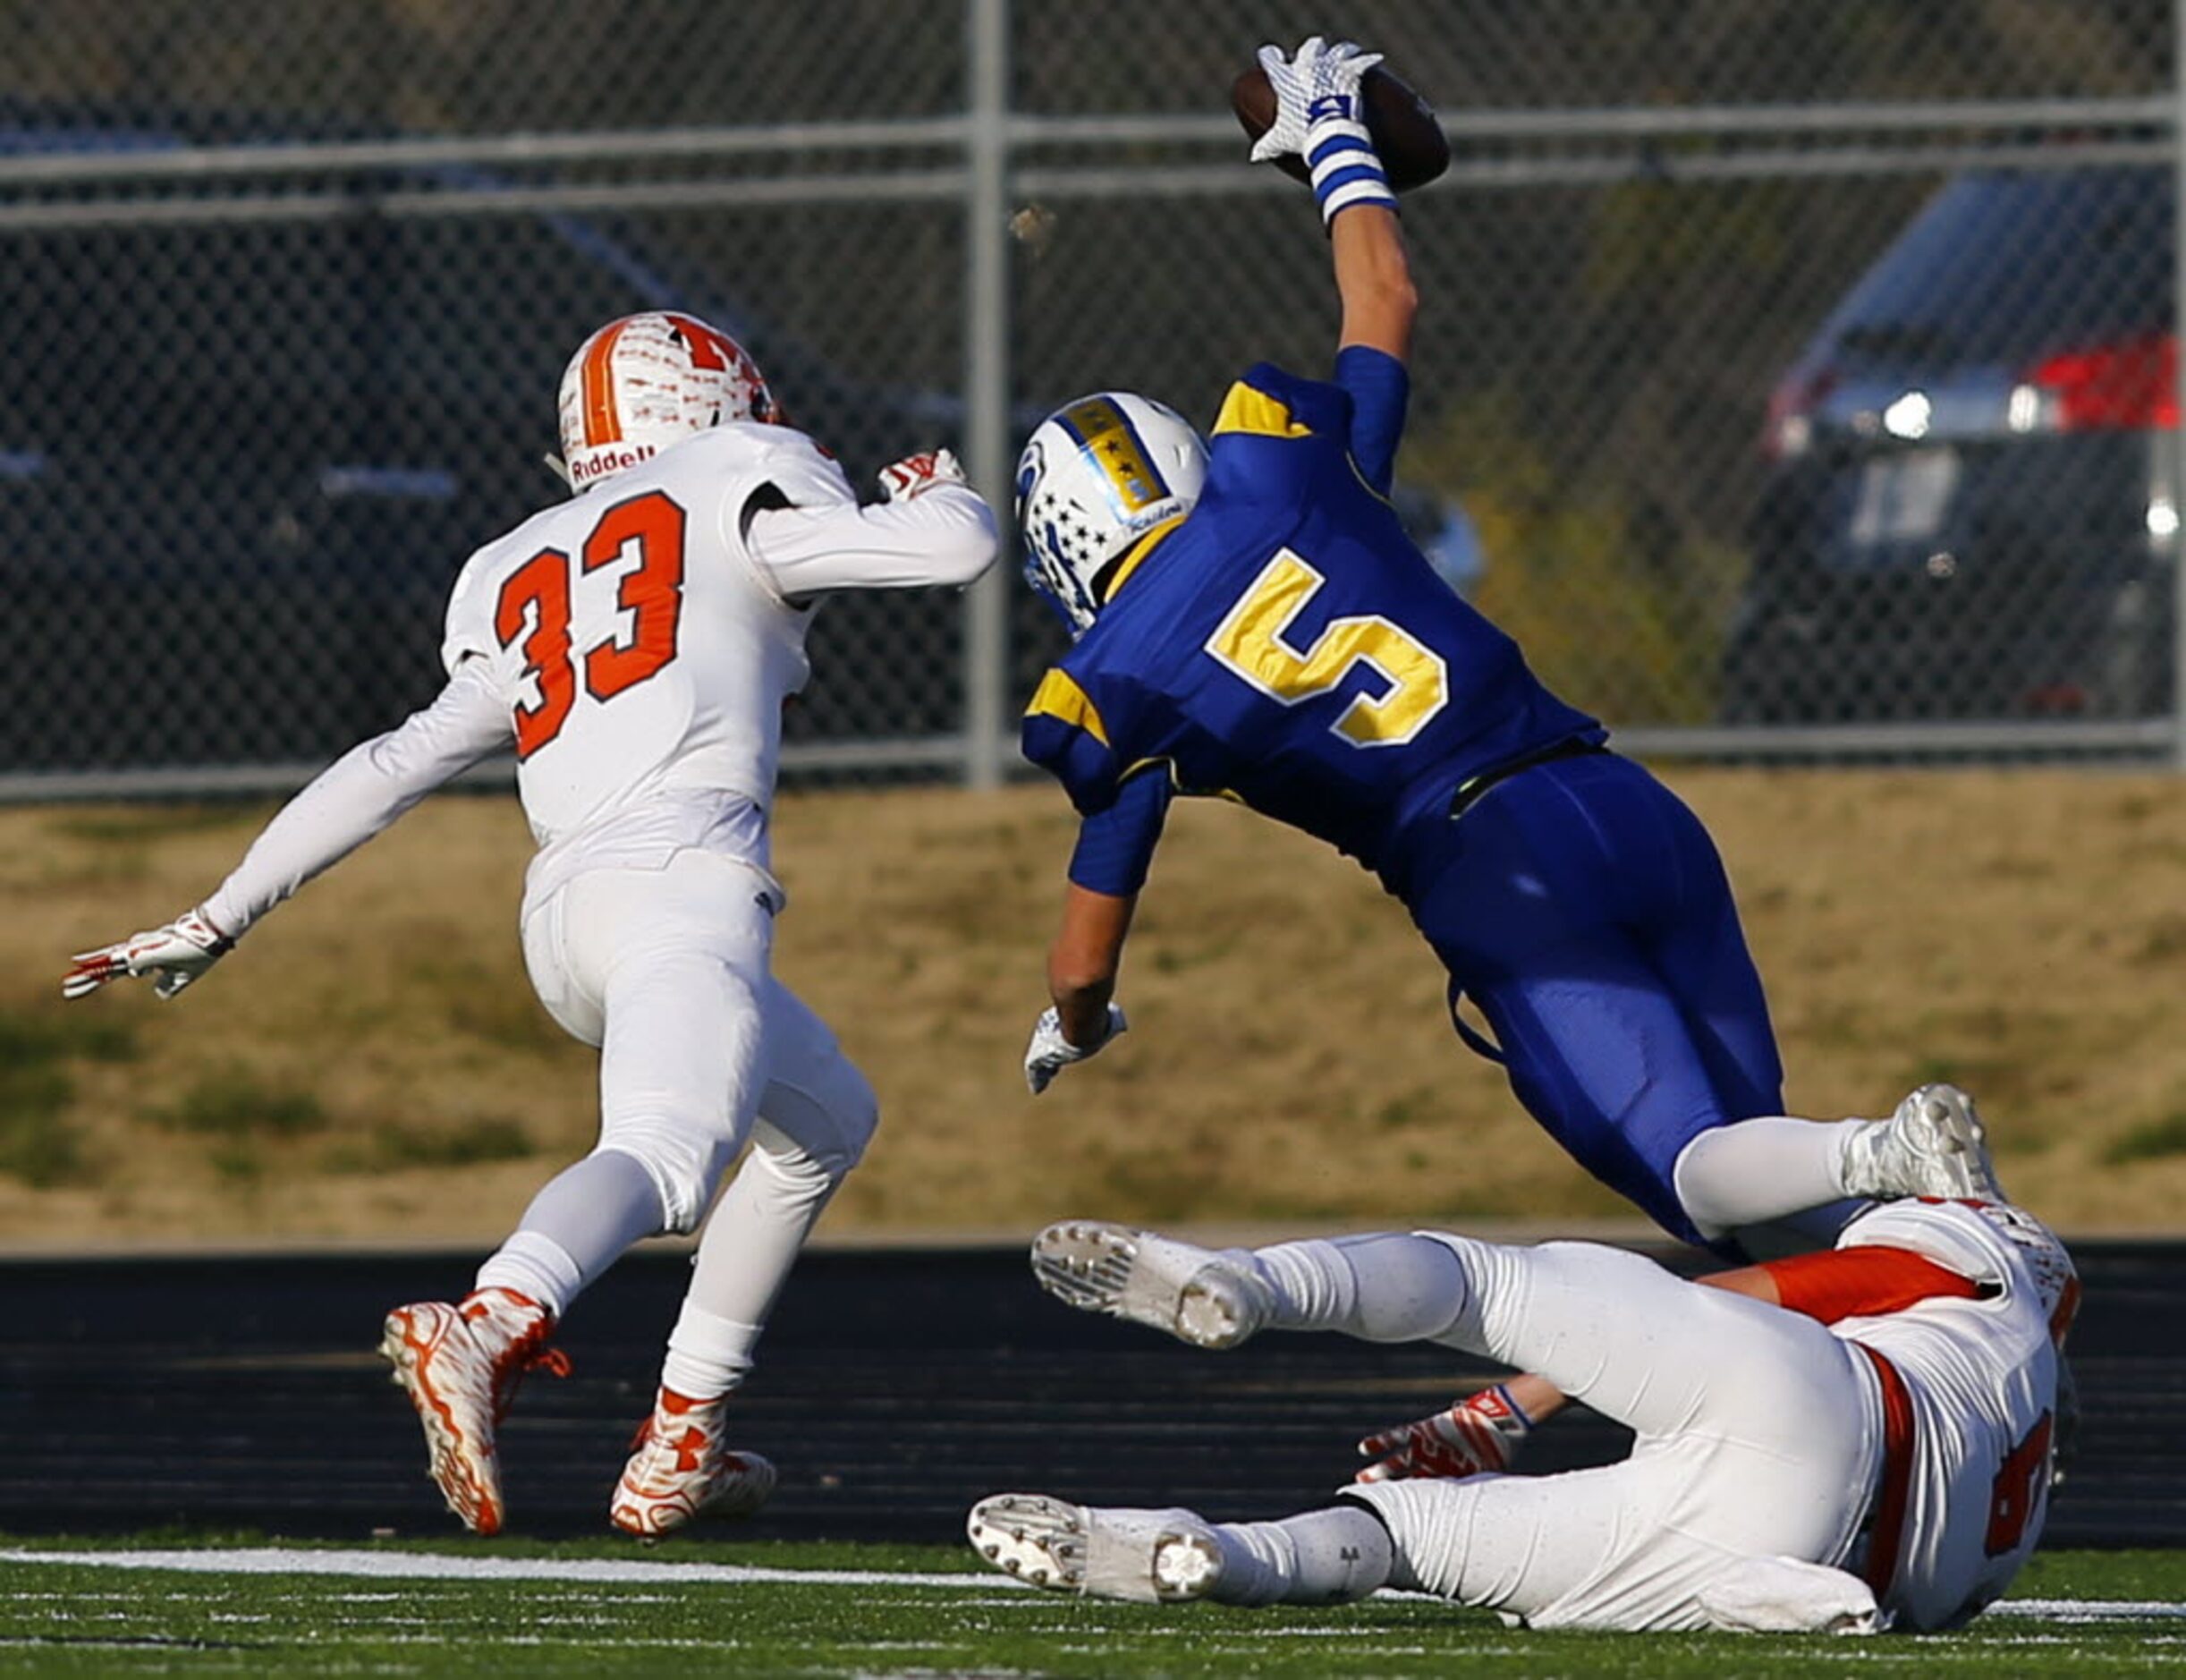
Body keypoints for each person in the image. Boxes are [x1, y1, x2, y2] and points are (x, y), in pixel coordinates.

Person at [1010, 37, 1970, 1261]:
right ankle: (1969, 1308)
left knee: (1703, 1181)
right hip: (1619, 797)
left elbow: (1083, 955)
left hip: (1494, 868)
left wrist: (1077, 1024)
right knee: (1770, 1201)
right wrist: (1334, 144)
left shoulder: (1119, 687)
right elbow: (1386, 302)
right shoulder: (1295, 470)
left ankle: (1881, 1155)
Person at [62, 310, 997, 1538]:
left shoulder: (515, 558)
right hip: (683, 881)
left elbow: (398, 757)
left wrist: (220, 910)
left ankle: (682, 1440)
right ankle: (491, 1318)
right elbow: (954, 552)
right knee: (665, 1160)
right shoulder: (736, 481)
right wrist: (946, 487)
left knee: (824, 1122)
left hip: (562, 915)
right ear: (709, 406)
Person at [970, 1102, 2078, 1634]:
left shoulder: (1955, 1272)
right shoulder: (2021, 1439)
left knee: (1479, 1286)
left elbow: (1737, 1297)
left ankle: (1255, 1286)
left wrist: (1509, 1403)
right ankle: (1219, 1553)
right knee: (1407, 1535)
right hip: (1810, 1570)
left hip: (1824, 1412)